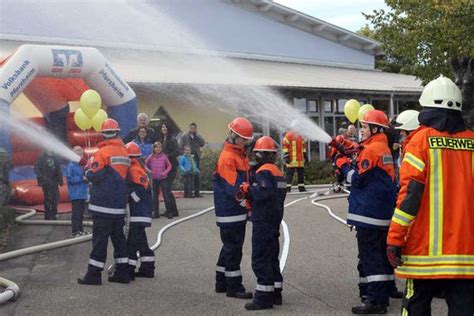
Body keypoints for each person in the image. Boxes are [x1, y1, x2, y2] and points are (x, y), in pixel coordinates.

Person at [386, 76, 474, 315]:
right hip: (466, 255)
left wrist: (395, 238)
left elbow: (409, 198)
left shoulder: (420, 142)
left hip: (424, 253)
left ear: (426, 107)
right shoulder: (472, 142)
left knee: (416, 307)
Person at [333, 110, 401, 314]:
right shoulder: (381, 147)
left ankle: (376, 301)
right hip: (380, 214)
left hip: (368, 214)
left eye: (364, 127)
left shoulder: (372, 150)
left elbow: (357, 178)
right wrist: (346, 149)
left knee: (370, 258)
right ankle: (382, 289)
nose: (361, 131)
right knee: (380, 255)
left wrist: (342, 164)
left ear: (375, 129)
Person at [78, 119, 131, 285]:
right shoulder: (124, 152)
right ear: (117, 132)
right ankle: (123, 273)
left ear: (103, 134)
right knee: (119, 239)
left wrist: (86, 169)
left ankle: (93, 275)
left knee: (100, 241)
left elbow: (94, 175)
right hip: (118, 206)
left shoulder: (102, 153)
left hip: (102, 206)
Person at [238, 136, 287, 310]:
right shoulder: (277, 171)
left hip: (263, 220)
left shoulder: (264, 171)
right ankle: (275, 293)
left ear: (260, 154)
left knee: (260, 258)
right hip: (273, 220)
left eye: (255, 153)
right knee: (272, 256)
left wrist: (247, 190)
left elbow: (263, 193)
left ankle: (263, 298)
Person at [212, 117, 254, 299]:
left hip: (232, 211)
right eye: (244, 139)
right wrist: (248, 205)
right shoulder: (228, 158)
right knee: (234, 249)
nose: (246, 142)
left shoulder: (237, 154)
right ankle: (234, 287)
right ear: (235, 136)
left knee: (228, 247)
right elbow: (234, 190)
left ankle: (221, 282)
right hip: (230, 211)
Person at [125, 142, 155, 279]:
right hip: (141, 213)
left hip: (139, 213)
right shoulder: (138, 167)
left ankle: (128, 270)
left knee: (132, 243)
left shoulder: (134, 169)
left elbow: (141, 191)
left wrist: (128, 197)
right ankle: (148, 268)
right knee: (141, 242)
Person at [146, 141, 178, 219]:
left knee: (166, 196)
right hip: (154, 179)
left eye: (160, 147)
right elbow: (145, 164)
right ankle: (156, 213)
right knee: (155, 197)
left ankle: (169, 212)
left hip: (163, 179)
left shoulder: (164, 157)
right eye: (156, 147)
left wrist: (165, 172)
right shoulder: (151, 156)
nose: (158, 149)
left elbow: (169, 166)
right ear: (154, 148)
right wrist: (149, 171)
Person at [179, 122, 206, 197]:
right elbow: (180, 145)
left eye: (194, 128)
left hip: (195, 157)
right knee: (189, 175)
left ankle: (197, 192)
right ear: (189, 128)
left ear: (196, 128)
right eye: (191, 128)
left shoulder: (198, 136)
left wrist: (197, 136)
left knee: (196, 174)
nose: (192, 129)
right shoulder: (185, 136)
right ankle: (189, 193)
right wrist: (183, 154)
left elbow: (202, 143)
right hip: (187, 157)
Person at [66, 146, 88, 237]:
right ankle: (75, 231)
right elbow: (70, 179)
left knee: (80, 213)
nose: (80, 156)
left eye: (80, 154)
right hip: (75, 193)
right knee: (76, 213)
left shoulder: (82, 165)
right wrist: (82, 178)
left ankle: (80, 230)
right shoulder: (71, 166)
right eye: (78, 154)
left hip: (82, 193)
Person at [34, 150, 63, 220]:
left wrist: (60, 180)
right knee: (48, 198)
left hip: (54, 181)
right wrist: (41, 177)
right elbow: (37, 168)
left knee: (55, 198)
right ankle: (47, 215)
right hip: (46, 182)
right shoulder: (42, 157)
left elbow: (59, 169)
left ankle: (54, 214)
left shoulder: (56, 157)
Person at [156, 121, 180, 187]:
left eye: (166, 127)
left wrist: (167, 156)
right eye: (163, 127)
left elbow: (177, 152)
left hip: (171, 165)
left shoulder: (172, 139)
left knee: (167, 186)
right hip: (162, 166)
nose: (164, 129)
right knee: (165, 187)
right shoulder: (160, 139)